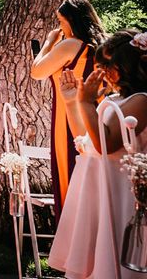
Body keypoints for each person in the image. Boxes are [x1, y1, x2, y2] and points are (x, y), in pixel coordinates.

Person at [48, 29, 147, 278]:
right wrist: (72, 102)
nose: (100, 72)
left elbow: (107, 144)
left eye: (105, 65)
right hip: (97, 193)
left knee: (115, 262)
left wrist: (85, 103)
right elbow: (86, 138)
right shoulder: (113, 100)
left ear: (126, 65)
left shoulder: (142, 100)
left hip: (118, 194)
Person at [30, 0, 105, 223]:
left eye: (61, 21)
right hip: (96, 118)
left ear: (71, 21)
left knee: (70, 175)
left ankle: (73, 239)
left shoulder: (71, 45)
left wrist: (49, 42)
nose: (59, 26)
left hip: (68, 120)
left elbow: (37, 72)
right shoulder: (100, 46)